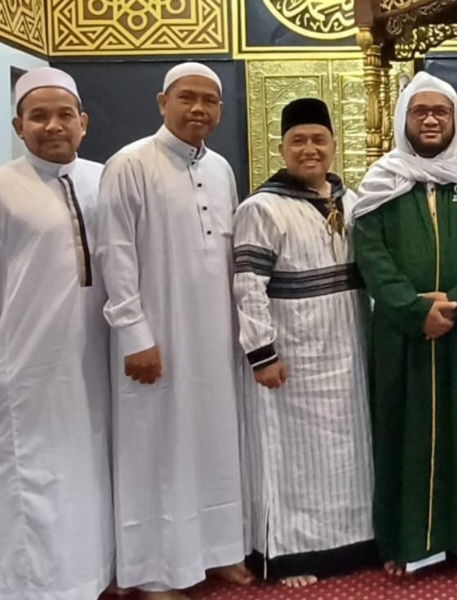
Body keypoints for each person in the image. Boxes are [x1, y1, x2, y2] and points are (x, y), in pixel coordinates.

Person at [96, 62, 252, 599]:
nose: (198, 109)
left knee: (215, 440)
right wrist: (134, 335)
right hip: (156, 338)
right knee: (156, 448)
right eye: (187, 98)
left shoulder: (222, 169)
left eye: (210, 100)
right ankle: (156, 571)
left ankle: (218, 550)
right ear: (163, 102)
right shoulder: (130, 164)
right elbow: (114, 254)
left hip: (214, 337)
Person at [353, 71, 457, 574]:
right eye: (420, 111)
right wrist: (414, 309)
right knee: (404, 435)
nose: (430, 120)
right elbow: (371, 255)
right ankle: (406, 544)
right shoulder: (381, 181)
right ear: (404, 119)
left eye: (440, 112)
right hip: (402, 334)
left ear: (455, 120)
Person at [233, 98, 375, 588]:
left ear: (334, 146)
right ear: (282, 149)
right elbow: (248, 286)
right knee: (295, 456)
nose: (309, 149)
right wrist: (262, 353)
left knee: (350, 451)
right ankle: (292, 555)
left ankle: (354, 543)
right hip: (293, 356)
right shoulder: (260, 208)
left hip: (350, 350)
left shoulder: (354, 203)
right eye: (298, 141)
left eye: (318, 139)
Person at [0, 66, 114, 600]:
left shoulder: (106, 179)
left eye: (64, 114)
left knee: (92, 466)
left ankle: (95, 574)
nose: (53, 126)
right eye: (38, 116)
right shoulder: (5, 188)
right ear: (18, 126)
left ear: (83, 122)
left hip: (99, 354)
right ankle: (39, 587)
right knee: (36, 474)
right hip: (29, 362)